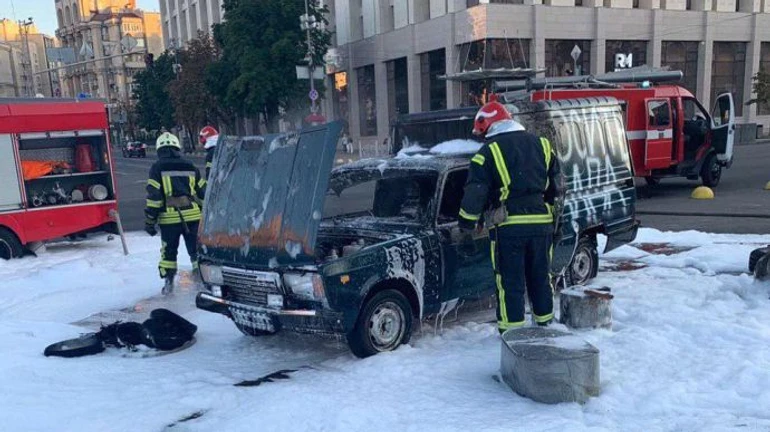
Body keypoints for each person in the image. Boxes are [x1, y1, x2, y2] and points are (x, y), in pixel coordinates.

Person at [458, 95, 562, 333]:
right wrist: (557, 222)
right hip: (542, 225)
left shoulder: (488, 152)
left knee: (510, 282)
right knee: (540, 278)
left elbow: (475, 192)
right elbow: (557, 188)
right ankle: (545, 325)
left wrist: (466, 226)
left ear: (489, 126)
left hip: (509, 228)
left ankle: (512, 332)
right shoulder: (542, 144)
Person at [144, 132, 207, 295]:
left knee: (169, 254)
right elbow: (203, 194)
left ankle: (169, 285)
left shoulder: (157, 168)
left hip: (169, 220)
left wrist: (150, 221)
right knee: (196, 252)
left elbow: (154, 198)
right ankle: (201, 284)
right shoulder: (190, 166)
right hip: (193, 217)